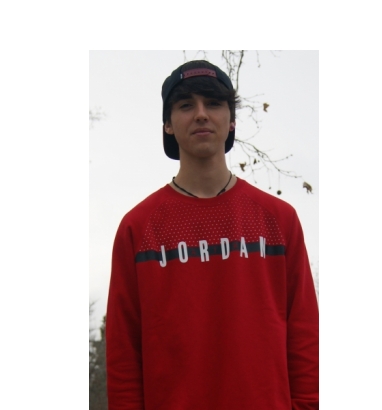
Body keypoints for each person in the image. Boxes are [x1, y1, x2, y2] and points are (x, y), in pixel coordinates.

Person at [106, 60, 319, 410]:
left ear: (231, 120)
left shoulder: (279, 220)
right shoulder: (138, 228)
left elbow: (305, 334)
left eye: (214, 103)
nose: (201, 114)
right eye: (186, 105)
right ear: (167, 124)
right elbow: (123, 352)